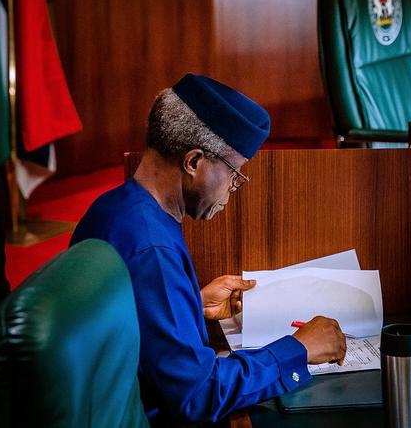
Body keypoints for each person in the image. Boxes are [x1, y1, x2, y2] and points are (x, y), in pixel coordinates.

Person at [70, 74, 347, 425]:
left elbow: (122, 326)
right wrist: (300, 348)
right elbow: (197, 395)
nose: (233, 188)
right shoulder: (153, 248)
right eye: (234, 174)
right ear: (194, 162)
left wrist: (189, 305)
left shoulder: (114, 208)